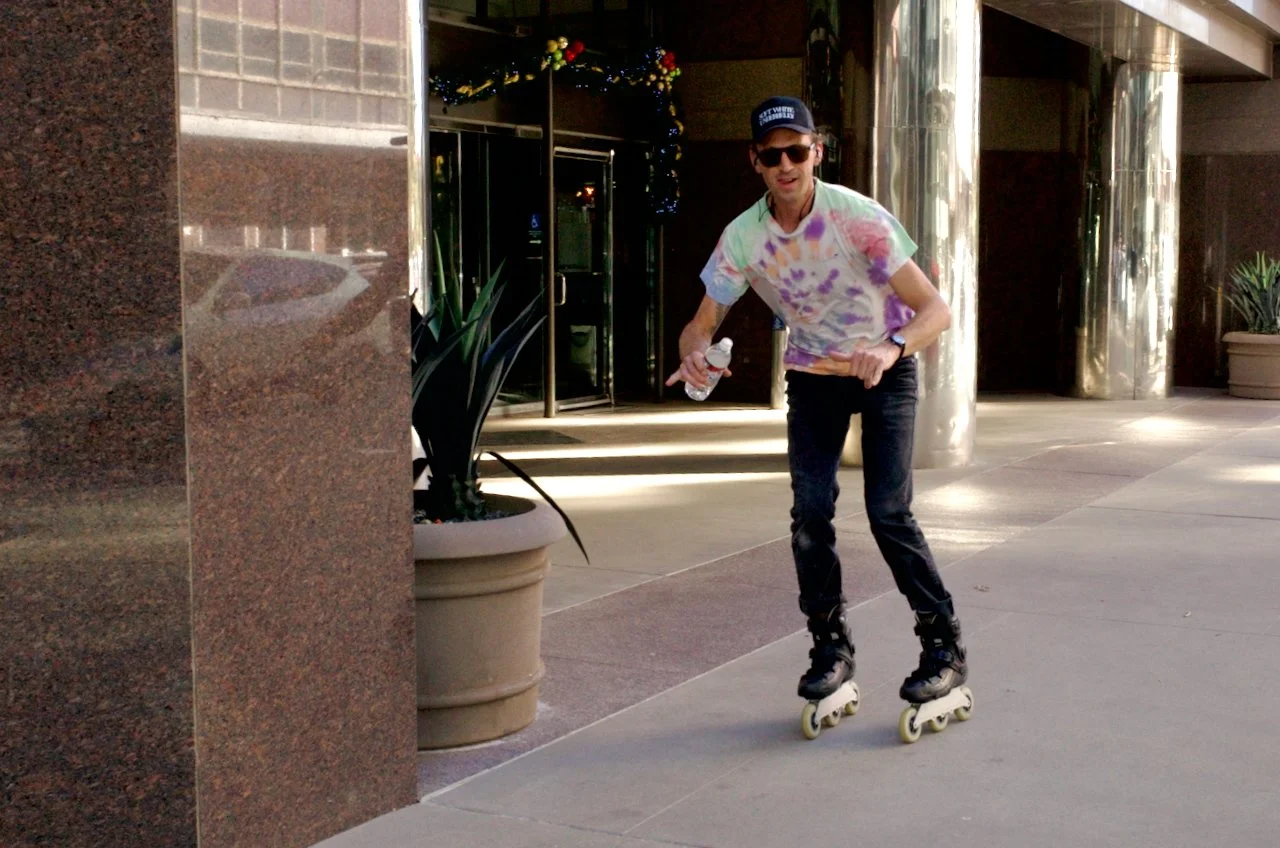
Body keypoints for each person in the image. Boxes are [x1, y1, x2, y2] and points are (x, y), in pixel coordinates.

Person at [665, 96, 967, 708]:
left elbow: (937, 311)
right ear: (756, 161)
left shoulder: (858, 219)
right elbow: (702, 321)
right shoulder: (744, 236)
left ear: (816, 153)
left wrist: (890, 348)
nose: (786, 165)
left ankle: (943, 647)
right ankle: (830, 647)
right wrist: (696, 351)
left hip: (884, 368)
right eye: (772, 155)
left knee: (888, 512)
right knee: (810, 515)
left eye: (796, 152)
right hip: (812, 376)